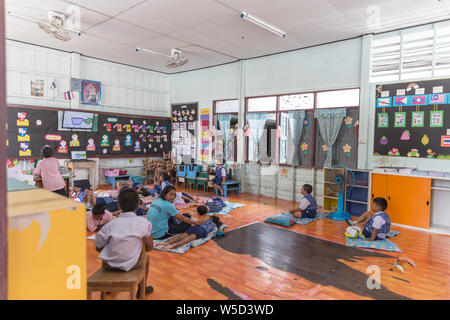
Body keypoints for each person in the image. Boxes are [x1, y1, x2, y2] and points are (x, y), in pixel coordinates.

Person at [94, 188, 154, 297]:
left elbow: (98, 246)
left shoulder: (110, 225)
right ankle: (142, 288)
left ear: (119, 206)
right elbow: (149, 247)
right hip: (132, 265)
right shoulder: (143, 223)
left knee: (107, 255)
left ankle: (109, 286)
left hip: (110, 265)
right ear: (137, 205)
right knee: (146, 258)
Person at [156, 216, 223, 249]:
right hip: (202, 231)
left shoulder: (205, 219)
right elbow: (217, 232)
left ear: (210, 218)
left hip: (195, 227)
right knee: (187, 240)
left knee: (181, 236)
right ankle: (173, 246)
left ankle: (165, 242)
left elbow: (197, 222)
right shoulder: (214, 226)